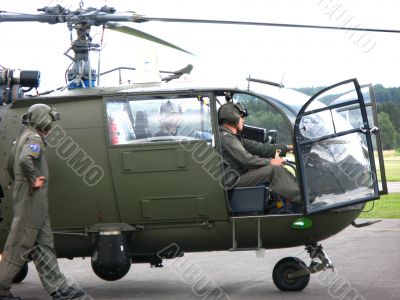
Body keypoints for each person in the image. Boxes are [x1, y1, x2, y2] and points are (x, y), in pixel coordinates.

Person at [0, 104, 86, 300]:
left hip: (32, 200)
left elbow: (9, 164)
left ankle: (59, 288)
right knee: (19, 245)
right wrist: (32, 180)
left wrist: (22, 184)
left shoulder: (23, 135)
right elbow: (24, 160)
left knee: (44, 244)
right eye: (50, 122)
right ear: (42, 121)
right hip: (31, 200)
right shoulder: (34, 138)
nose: (51, 127)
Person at [218, 101, 301, 206]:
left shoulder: (231, 137)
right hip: (234, 180)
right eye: (241, 117)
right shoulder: (226, 137)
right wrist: (271, 161)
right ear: (232, 118)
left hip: (240, 175)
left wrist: (288, 148)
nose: (243, 120)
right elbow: (247, 160)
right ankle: (303, 200)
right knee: (274, 170)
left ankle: (299, 193)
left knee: (276, 168)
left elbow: (260, 148)